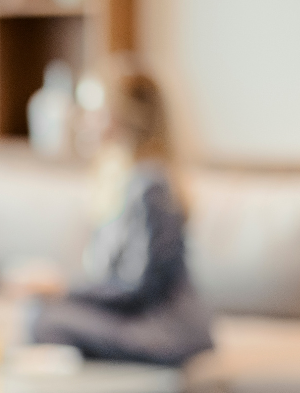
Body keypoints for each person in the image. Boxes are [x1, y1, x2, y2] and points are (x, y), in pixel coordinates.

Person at [29, 55, 214, 366]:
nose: (82, 120)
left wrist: (61, 288)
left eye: (93, 111)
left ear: (124, 116)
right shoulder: (120, 181)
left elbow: (138, 288)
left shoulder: (151, 185)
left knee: (44, 319)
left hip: (165, 330)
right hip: (139, 320)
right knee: (40, 314)